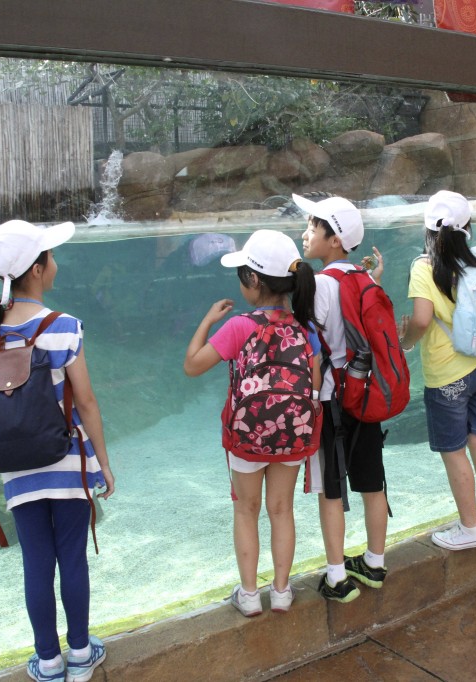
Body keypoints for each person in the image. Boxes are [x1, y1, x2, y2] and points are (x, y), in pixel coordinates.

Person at [0, 219, 115, 682]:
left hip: (18, 471)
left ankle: (48, 661)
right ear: (36, 269)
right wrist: (103, 463)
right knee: (71, 557)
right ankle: (81, 654)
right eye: (50, 256)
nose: (55, 263)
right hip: (68, 464)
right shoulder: (64, 327)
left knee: (36, 562)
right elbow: (86, 401)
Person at [183, 229, 322, 616]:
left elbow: (192, 365)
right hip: (293, 434)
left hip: (247, 437)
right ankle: (281, 592)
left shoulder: (239, 326)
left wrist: (208, 320)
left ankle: (248, 595)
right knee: (282, 509)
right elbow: (314, 383)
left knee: (246, 509)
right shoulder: (306, 328)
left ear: (254, 280)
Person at [398, 191, 476, 551]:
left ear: (428, 231)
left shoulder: (423, 268)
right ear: (467, 226)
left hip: (447, 376)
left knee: (454, 451)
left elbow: (421, 320)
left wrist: (406, 341)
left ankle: (470, 528)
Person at [295, 194, 390, 603]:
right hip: (366, 397)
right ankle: (374, 563)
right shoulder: (365, 279)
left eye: (312, 228)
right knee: (372, 483)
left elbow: (309, 341)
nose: (305, 234)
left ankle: (336, 577)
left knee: (331, 490)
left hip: (331, 402)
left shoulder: (321, 285)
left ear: (334, 240)